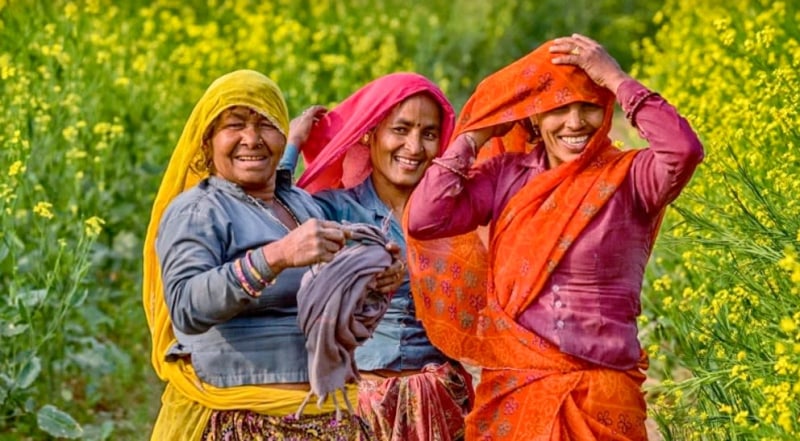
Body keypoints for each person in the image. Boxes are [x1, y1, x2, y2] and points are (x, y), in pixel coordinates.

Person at [404, 34, 704, 440]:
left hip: (600, 398)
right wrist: (475, 136)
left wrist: (616, 78)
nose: (575, 123)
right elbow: (424, 219)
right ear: (534, 117)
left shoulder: (630, 178)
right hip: (515, 390)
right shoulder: (506, 175)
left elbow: (682, 151)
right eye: (558, 108)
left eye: (589, 107)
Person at [141, 69, 404, 441]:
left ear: (283, 133)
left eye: (266, 124)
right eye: (234, 125)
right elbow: (185, 307)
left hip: (325, 413)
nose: (251, 139)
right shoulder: (199, 210)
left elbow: (329, 311)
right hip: (239, 417)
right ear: (208, 142)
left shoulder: (299, 203)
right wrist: (276, 256)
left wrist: (374, 281)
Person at [280, 72, 473, 441]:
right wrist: (293, 144)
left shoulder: (455, 215)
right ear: (370, 133)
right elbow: (270, 217)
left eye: (428, 133)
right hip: (360, 405)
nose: (414, 147)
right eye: (400, 130)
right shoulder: (336, 210)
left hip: (441, 405)